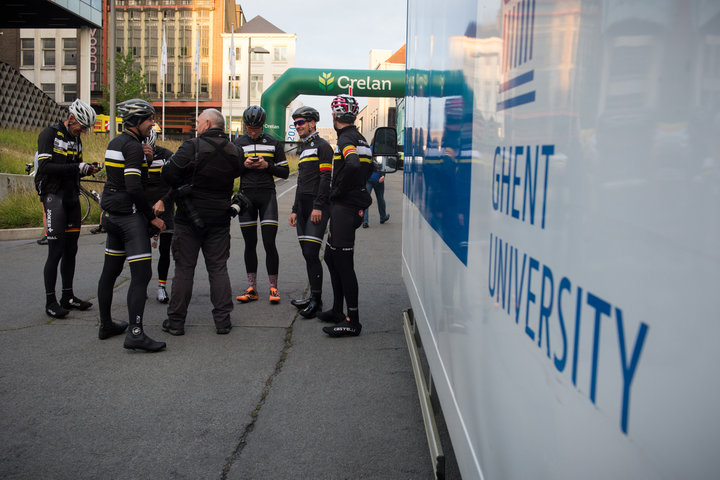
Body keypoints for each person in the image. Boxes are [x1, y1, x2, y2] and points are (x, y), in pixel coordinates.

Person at [160, 108, 244, 336]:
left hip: (189, 217)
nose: (195, 126)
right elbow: (238, 173)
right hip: (219, 218)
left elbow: (168, 174)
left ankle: (176, 322)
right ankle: (223, 321)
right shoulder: (235, 151)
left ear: (207, 123)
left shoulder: (192, 146)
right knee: (218, 268)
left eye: (198, 122)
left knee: (184, 269)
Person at [97, 98, 166, 352]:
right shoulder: (134, 147)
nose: (152, 124)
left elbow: (118, 178)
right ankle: (136, 333)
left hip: (112, 215)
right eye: (149, 119)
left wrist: (145, 161)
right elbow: (135, 187)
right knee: (142, 275)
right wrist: (152, 217)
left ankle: (105, 324)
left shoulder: (116, 142)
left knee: (110, 271)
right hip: (129, 217)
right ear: (136, 121)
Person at [35, 98, 99, 318]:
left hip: (72, 196)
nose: (83, 131)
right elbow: (45, 166)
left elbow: (74, 168)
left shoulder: (76, 139)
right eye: (81, 126)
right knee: (56, 251)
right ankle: (50, 301)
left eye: (86, 128)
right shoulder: (49, 134)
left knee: (72, 249)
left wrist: (87, 169)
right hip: (54, 196)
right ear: (71, 118)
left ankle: (67, 296)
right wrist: (76, 167)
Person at [319, 94, 374, 337]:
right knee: (331, 258)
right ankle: (337, 310)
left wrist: (338, 190)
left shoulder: (346, 139)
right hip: (350, 206)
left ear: (334, 116)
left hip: (345, 207)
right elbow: (368, 167)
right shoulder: (361, 138)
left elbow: (351, 164)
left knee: (343, 264)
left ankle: (353, 321)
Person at [233, 105, 289, 304]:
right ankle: (252, 288)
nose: (253, 132)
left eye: (256, 128)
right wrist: (243, 166)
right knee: (250, 244)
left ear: (263, 125)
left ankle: (274, 288)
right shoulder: (238, 142)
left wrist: (267, 166)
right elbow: (232, 172)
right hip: (246, 197)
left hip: (267, 196)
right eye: (249, 128)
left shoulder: (274, 143)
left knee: (268, 243)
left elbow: (285, 172)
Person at [287, 106, 333, 318]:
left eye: (301, 123)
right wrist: (295, 209)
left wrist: (318, 206)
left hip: (316, 206)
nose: (297, 127)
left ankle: (317, 301)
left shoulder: (323, 146)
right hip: (303, 208)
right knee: (307, 255)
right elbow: (300, 181)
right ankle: (313, 296)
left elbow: (325, 179)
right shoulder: (303, 147)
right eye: (295, 123)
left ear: (312, 123)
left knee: (311, 253)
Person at [143, 128, 175, 304]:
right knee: (142, 250)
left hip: (165, 206)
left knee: (164, 250)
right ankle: (141, 285)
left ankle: (161, 286)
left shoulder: (166, 155)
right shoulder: (135, 156)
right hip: (144, 206)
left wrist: (163, 200)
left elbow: (176, 182)